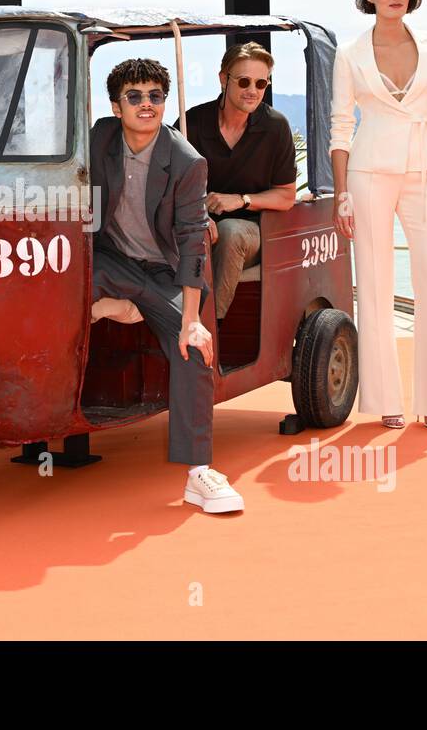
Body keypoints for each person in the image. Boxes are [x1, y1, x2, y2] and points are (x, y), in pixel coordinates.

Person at [89, 58, 243, 513]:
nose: (146, 105)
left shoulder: (186, 161)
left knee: (194, 347)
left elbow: (194, 240)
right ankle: (37, 419)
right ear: (117, 106)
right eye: (134, 96)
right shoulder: (99, 137)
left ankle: (199, 474)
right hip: (108, 260)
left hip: (161, 272)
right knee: (48, 294)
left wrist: (192, 320)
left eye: (155, 96)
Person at [330, 0, 427, 430]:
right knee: (376, 283)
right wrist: (341, 193)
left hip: (426, 172)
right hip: (368, 173)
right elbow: (341, 126)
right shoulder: (349, 53)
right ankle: (386, 398)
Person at [185, 42, 296, 321]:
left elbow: (286, 196)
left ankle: (211, 325)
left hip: (256, 232)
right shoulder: (192, 123)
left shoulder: (275, 127)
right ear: (224, 79)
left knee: (232, 231)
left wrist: (241, 200)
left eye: (261, 84)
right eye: (244, 81)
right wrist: (198, 215)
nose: (253, 91)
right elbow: (171, 184)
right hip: (198, 225)